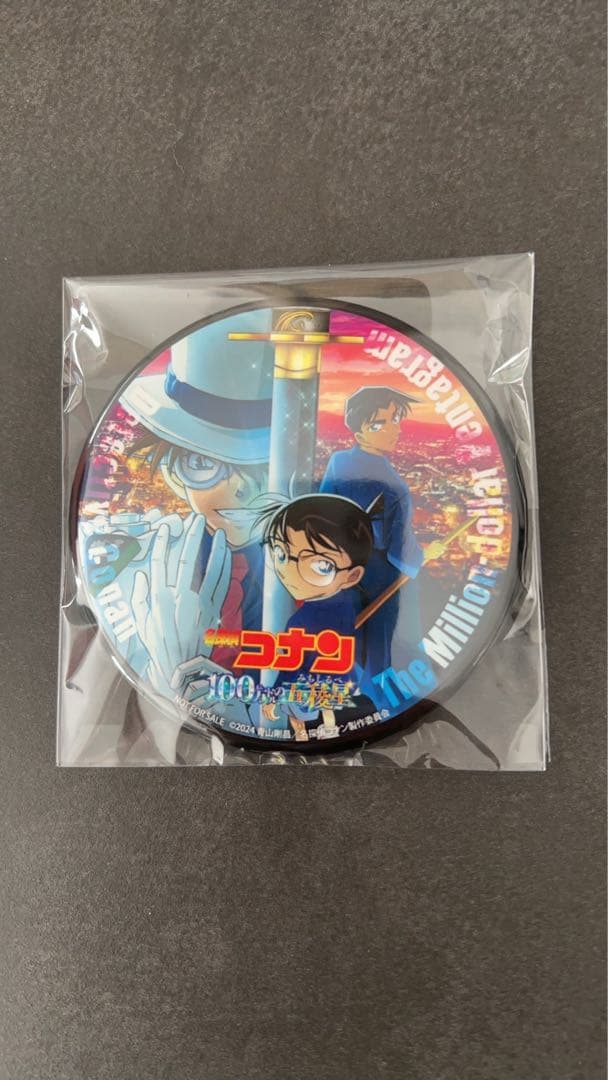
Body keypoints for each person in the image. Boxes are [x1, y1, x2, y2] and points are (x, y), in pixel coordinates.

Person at [79, 310, 274, 697]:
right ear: (172, 472)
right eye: (203, 465)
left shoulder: (306, 568)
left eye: (261, 468)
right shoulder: (133, 563)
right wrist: (163, 665)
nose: (239, 491)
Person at [320, 385, 445, 673]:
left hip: (337, 571)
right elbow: (399, 549)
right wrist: (427, 554)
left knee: (340, 641)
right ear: (359, 431)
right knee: (378, 649)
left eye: (395, 420)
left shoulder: (338, 462)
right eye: (379, 423)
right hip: (379, 578)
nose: (393, 430)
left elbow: (322, 511)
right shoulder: (394, 485)